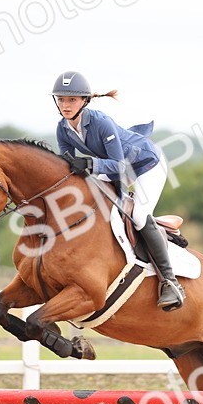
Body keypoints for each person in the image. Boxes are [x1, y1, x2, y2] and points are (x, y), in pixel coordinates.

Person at [51, 71, 186, 311]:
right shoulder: (63, 128)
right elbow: (68, 167)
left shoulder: (101, 122)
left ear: (84, 101)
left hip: (146, 165)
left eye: (71, 100)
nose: (65, 105)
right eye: (61, 99)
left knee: (138, 215)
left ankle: (170, 281)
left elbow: (121, 167)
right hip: (115, 168)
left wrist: (90, 165)